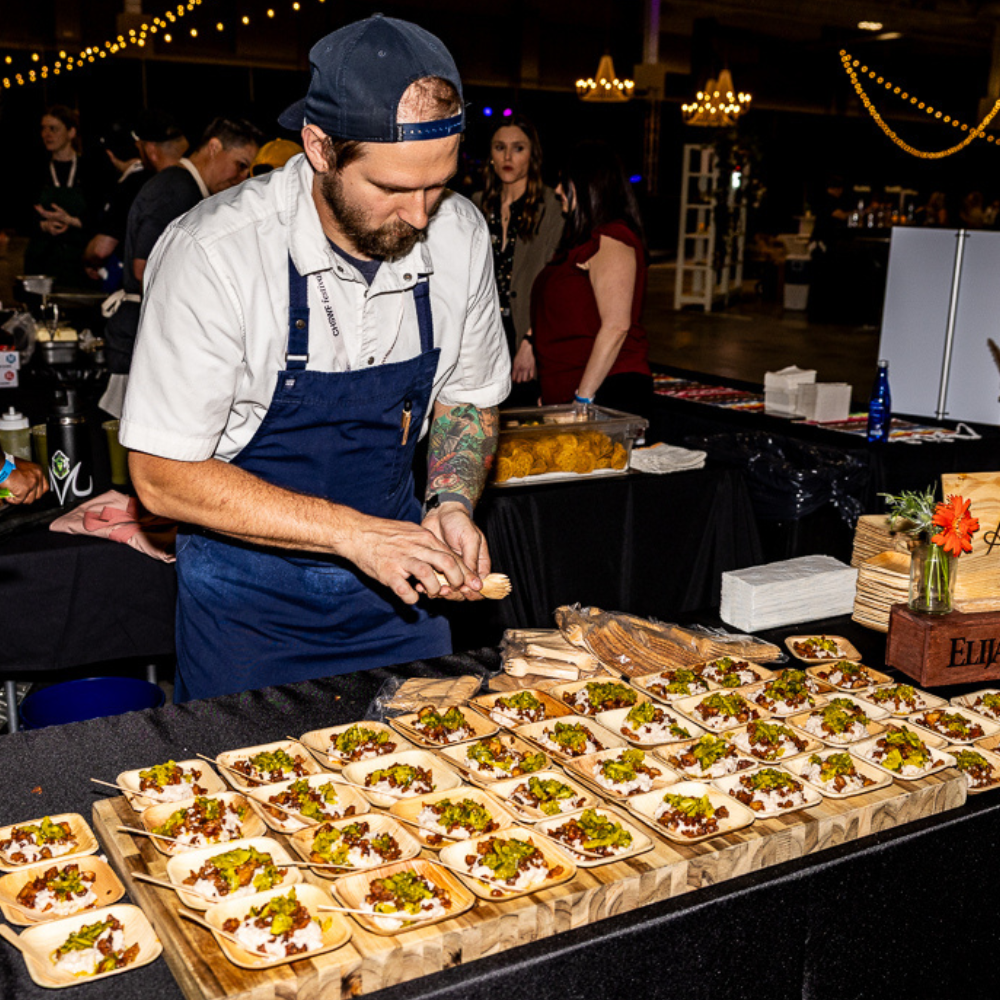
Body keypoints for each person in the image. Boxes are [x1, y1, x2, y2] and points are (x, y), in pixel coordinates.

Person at [120, 14, 510, 702]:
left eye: (438, 185)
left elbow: (470, 396)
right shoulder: (215, 253)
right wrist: (353, 535)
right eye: (391, 189)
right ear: (320, 148)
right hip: (246, 616)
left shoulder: (460, 234)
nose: (420, 216)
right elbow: (161, 476)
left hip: (403, 603)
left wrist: (450, 501)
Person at [100, 116, 263, 415]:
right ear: (214, 147)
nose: (242, 177)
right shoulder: (175, 190)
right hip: (137, 345)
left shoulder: (186, 189)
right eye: (240, 164)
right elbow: (143, 270)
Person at [530, 140, 651, 415]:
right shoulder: (583, 242)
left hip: (606, 394)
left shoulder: (611, 238)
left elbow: (616, 326)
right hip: (575, 397)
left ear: (588, 185)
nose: (557, 190)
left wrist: (582, 400)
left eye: (564, 182)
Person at [472, 115, 563, 406]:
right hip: (482, 331)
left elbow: (554, 281)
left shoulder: (551, 206)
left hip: (528, 328)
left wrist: (531, 340)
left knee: (522, 420)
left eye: (518, 148)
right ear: (491, 155)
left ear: (532, 155)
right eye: (500, 147)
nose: (508, 156)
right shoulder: (476, 204)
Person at [24, 106, 94, 289]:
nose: (46, 134)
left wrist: (71, 220)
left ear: (71, 132)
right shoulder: (35, 169)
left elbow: (103, 218)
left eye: (53, 129)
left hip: (80, 264)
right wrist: (43, 225)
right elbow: (18, 216)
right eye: (43, 128)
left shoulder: (90, 170)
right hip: (41, 263)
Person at [83, 120, 148, 290]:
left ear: (110, 155)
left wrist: (87, 259)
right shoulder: (154, 179)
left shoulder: (127, 187)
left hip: (128, 283)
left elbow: (101, 249)